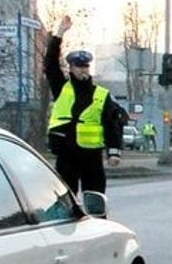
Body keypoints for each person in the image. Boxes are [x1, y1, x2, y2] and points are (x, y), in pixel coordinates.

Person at [44, 15, 126, 194]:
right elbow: (50, 64)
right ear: (71, 68)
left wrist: (113, 152)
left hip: (92, 158)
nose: (83, 69)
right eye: (79, 66)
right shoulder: (61, 87)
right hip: (66, 157)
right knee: (67, 204)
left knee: (95, 201)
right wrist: (59, 34)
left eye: (86, 66)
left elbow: (112, 125)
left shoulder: (101, 95)